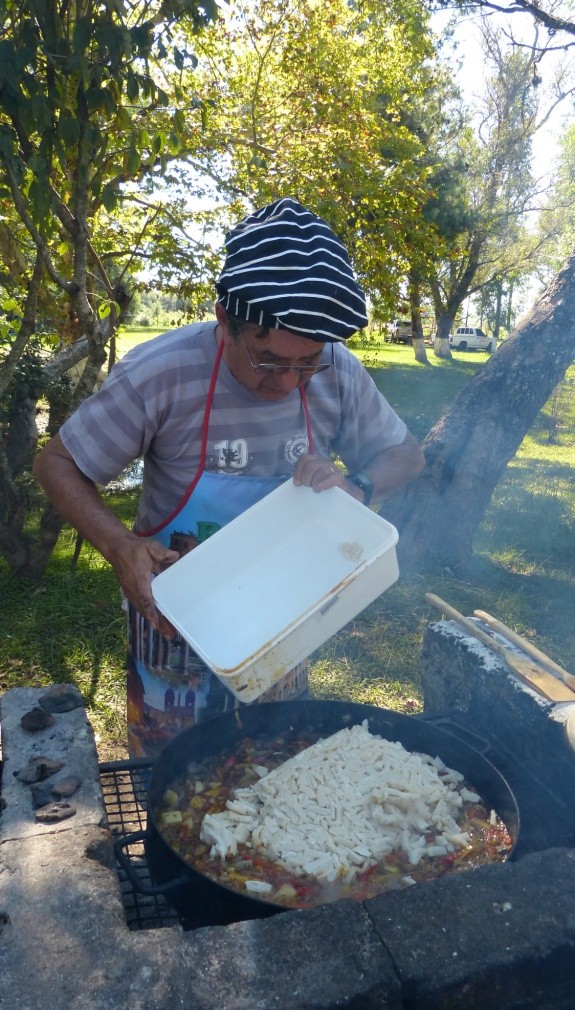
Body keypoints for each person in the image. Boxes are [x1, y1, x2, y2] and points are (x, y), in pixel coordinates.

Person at [34, 197, 424, 759]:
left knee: (278, 778)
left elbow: (405, 456)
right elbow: (57, 463)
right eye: (269, 361)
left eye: (306, 361)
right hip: (175, 627)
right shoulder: (161, 373)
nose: (289, 383)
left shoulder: (335, 371)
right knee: (170, 786)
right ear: (225, 320)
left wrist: (357, 486)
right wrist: (120, 545)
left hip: (284, 625)